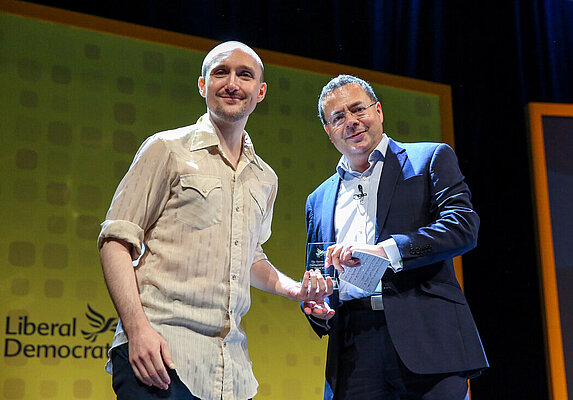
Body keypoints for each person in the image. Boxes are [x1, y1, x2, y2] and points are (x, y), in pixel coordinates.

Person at [98, 41, 332, 400]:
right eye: (221, 72)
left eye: (245, 75)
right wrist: (136, 330)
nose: (232, 83)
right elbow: (115, 241)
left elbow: (251, 255)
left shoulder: (264, 177)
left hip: (231, 369)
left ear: (260, 92)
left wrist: (293, 289)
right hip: (160, 352)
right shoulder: (166, 148)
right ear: (203, 85)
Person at [302, 75, 488, 400]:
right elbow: (320, 269)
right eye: (339, 117)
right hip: (354, 349)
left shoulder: (428, 159)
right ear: (328, 132)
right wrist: (317, 304)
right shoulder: (318, 199)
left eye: (358, 109)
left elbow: (462, 227)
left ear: (378, 111)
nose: (352, 122)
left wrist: (387, 251)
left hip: (426, 336)